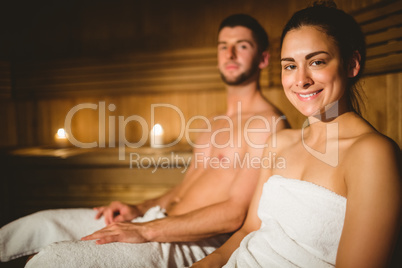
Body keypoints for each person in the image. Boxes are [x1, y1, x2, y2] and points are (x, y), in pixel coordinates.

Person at [0, 14, 288, 267]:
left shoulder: (268, 124)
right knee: (34, 227)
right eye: (223, 46)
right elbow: (184, 190)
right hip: (155, 218)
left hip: (194, 239)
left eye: (242, 46)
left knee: (52, 260)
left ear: (263, 58)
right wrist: (139, 208)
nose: (230, 54)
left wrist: (146, 230)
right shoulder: (213, 122)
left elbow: (235, 213)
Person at [192, 2, 401, 267]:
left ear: (352, 64)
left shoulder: (372, 153)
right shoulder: (279, 143)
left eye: (317, 62)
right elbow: (248, 231)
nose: (301, 80)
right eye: (290, 66)